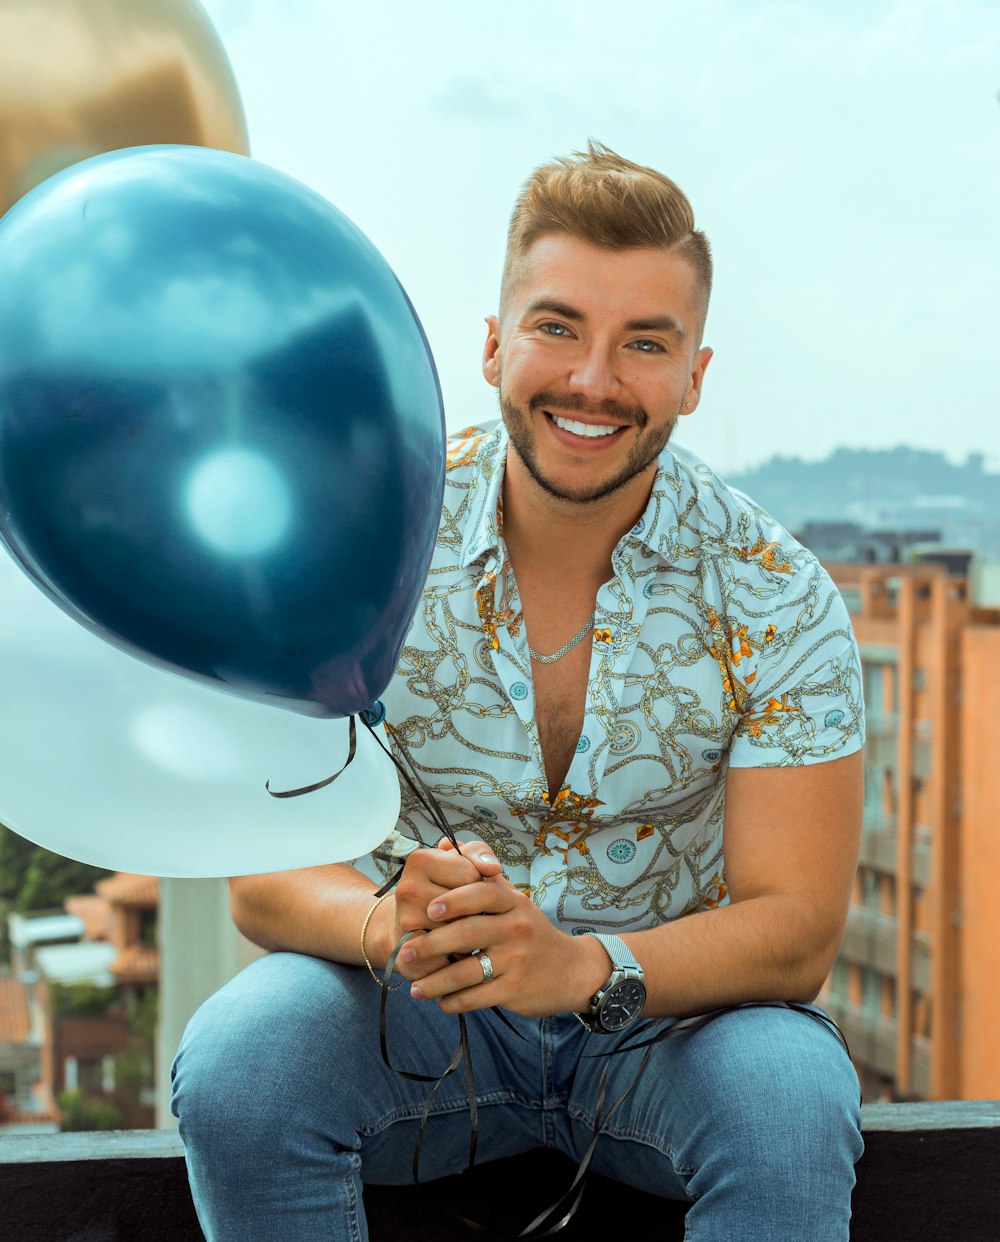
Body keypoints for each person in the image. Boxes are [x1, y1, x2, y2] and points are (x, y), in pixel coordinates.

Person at [171, 141, 865, 1241]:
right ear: (494, 344)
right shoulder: (362, 539)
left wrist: (583, 966)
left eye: (645, 342)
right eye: (557, 327)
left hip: (665, 1030)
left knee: (789, 1102)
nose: (593, 380)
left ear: (694, 374)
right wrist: (386, 926)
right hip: (412, 1007)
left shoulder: (778, 594)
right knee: (241, 1066)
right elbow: (262, 882)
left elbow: (794, 932)